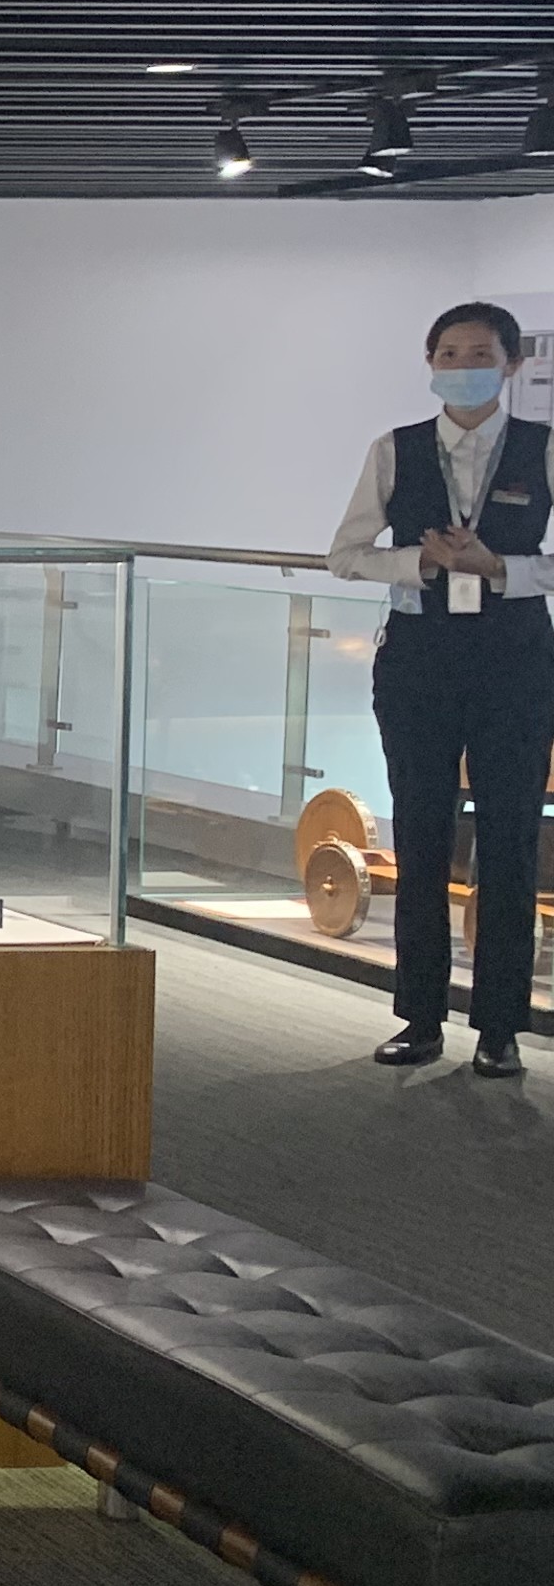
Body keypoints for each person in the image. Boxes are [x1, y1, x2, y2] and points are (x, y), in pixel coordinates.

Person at [327, 302, 548, 1079]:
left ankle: (501, 1028)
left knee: (511, 839)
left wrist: (500, 568)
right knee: (421, 833)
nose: (462, 368)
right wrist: (417, 562)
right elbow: (346, 553)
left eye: (480, 354)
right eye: (448, 354)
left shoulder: (543, 448)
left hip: (514, 659)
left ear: (513, 364)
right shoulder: (396, 449)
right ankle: (420, 1016)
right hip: (420, 658)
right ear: (430, 364)